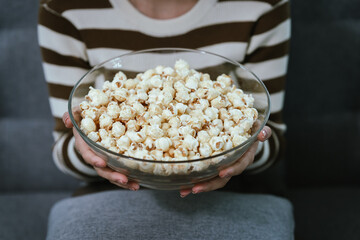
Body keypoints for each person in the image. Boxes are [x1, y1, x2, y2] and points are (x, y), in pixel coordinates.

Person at [38, 0, 290, 197]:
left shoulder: (263, 5)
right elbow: (63, 150)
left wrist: (249, 150)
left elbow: (272, 137)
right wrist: (90, 153)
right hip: (108, 191)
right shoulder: (63, 8)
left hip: (233, 190)